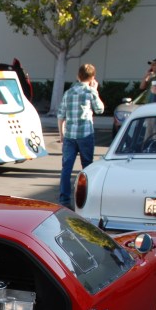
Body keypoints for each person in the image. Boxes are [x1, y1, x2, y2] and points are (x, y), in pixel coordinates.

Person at [57, 63, 104, 209]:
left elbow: (61, 115)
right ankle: (86, 198)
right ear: (92, 78)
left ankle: (64, 199)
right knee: (87, 167)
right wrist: (95, 90)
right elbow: (100, 109)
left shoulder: (68, 93)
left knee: (66, 168)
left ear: (78, 76)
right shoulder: (90, 92)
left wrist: (62, 134)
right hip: (85, 134)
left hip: (70, 134)